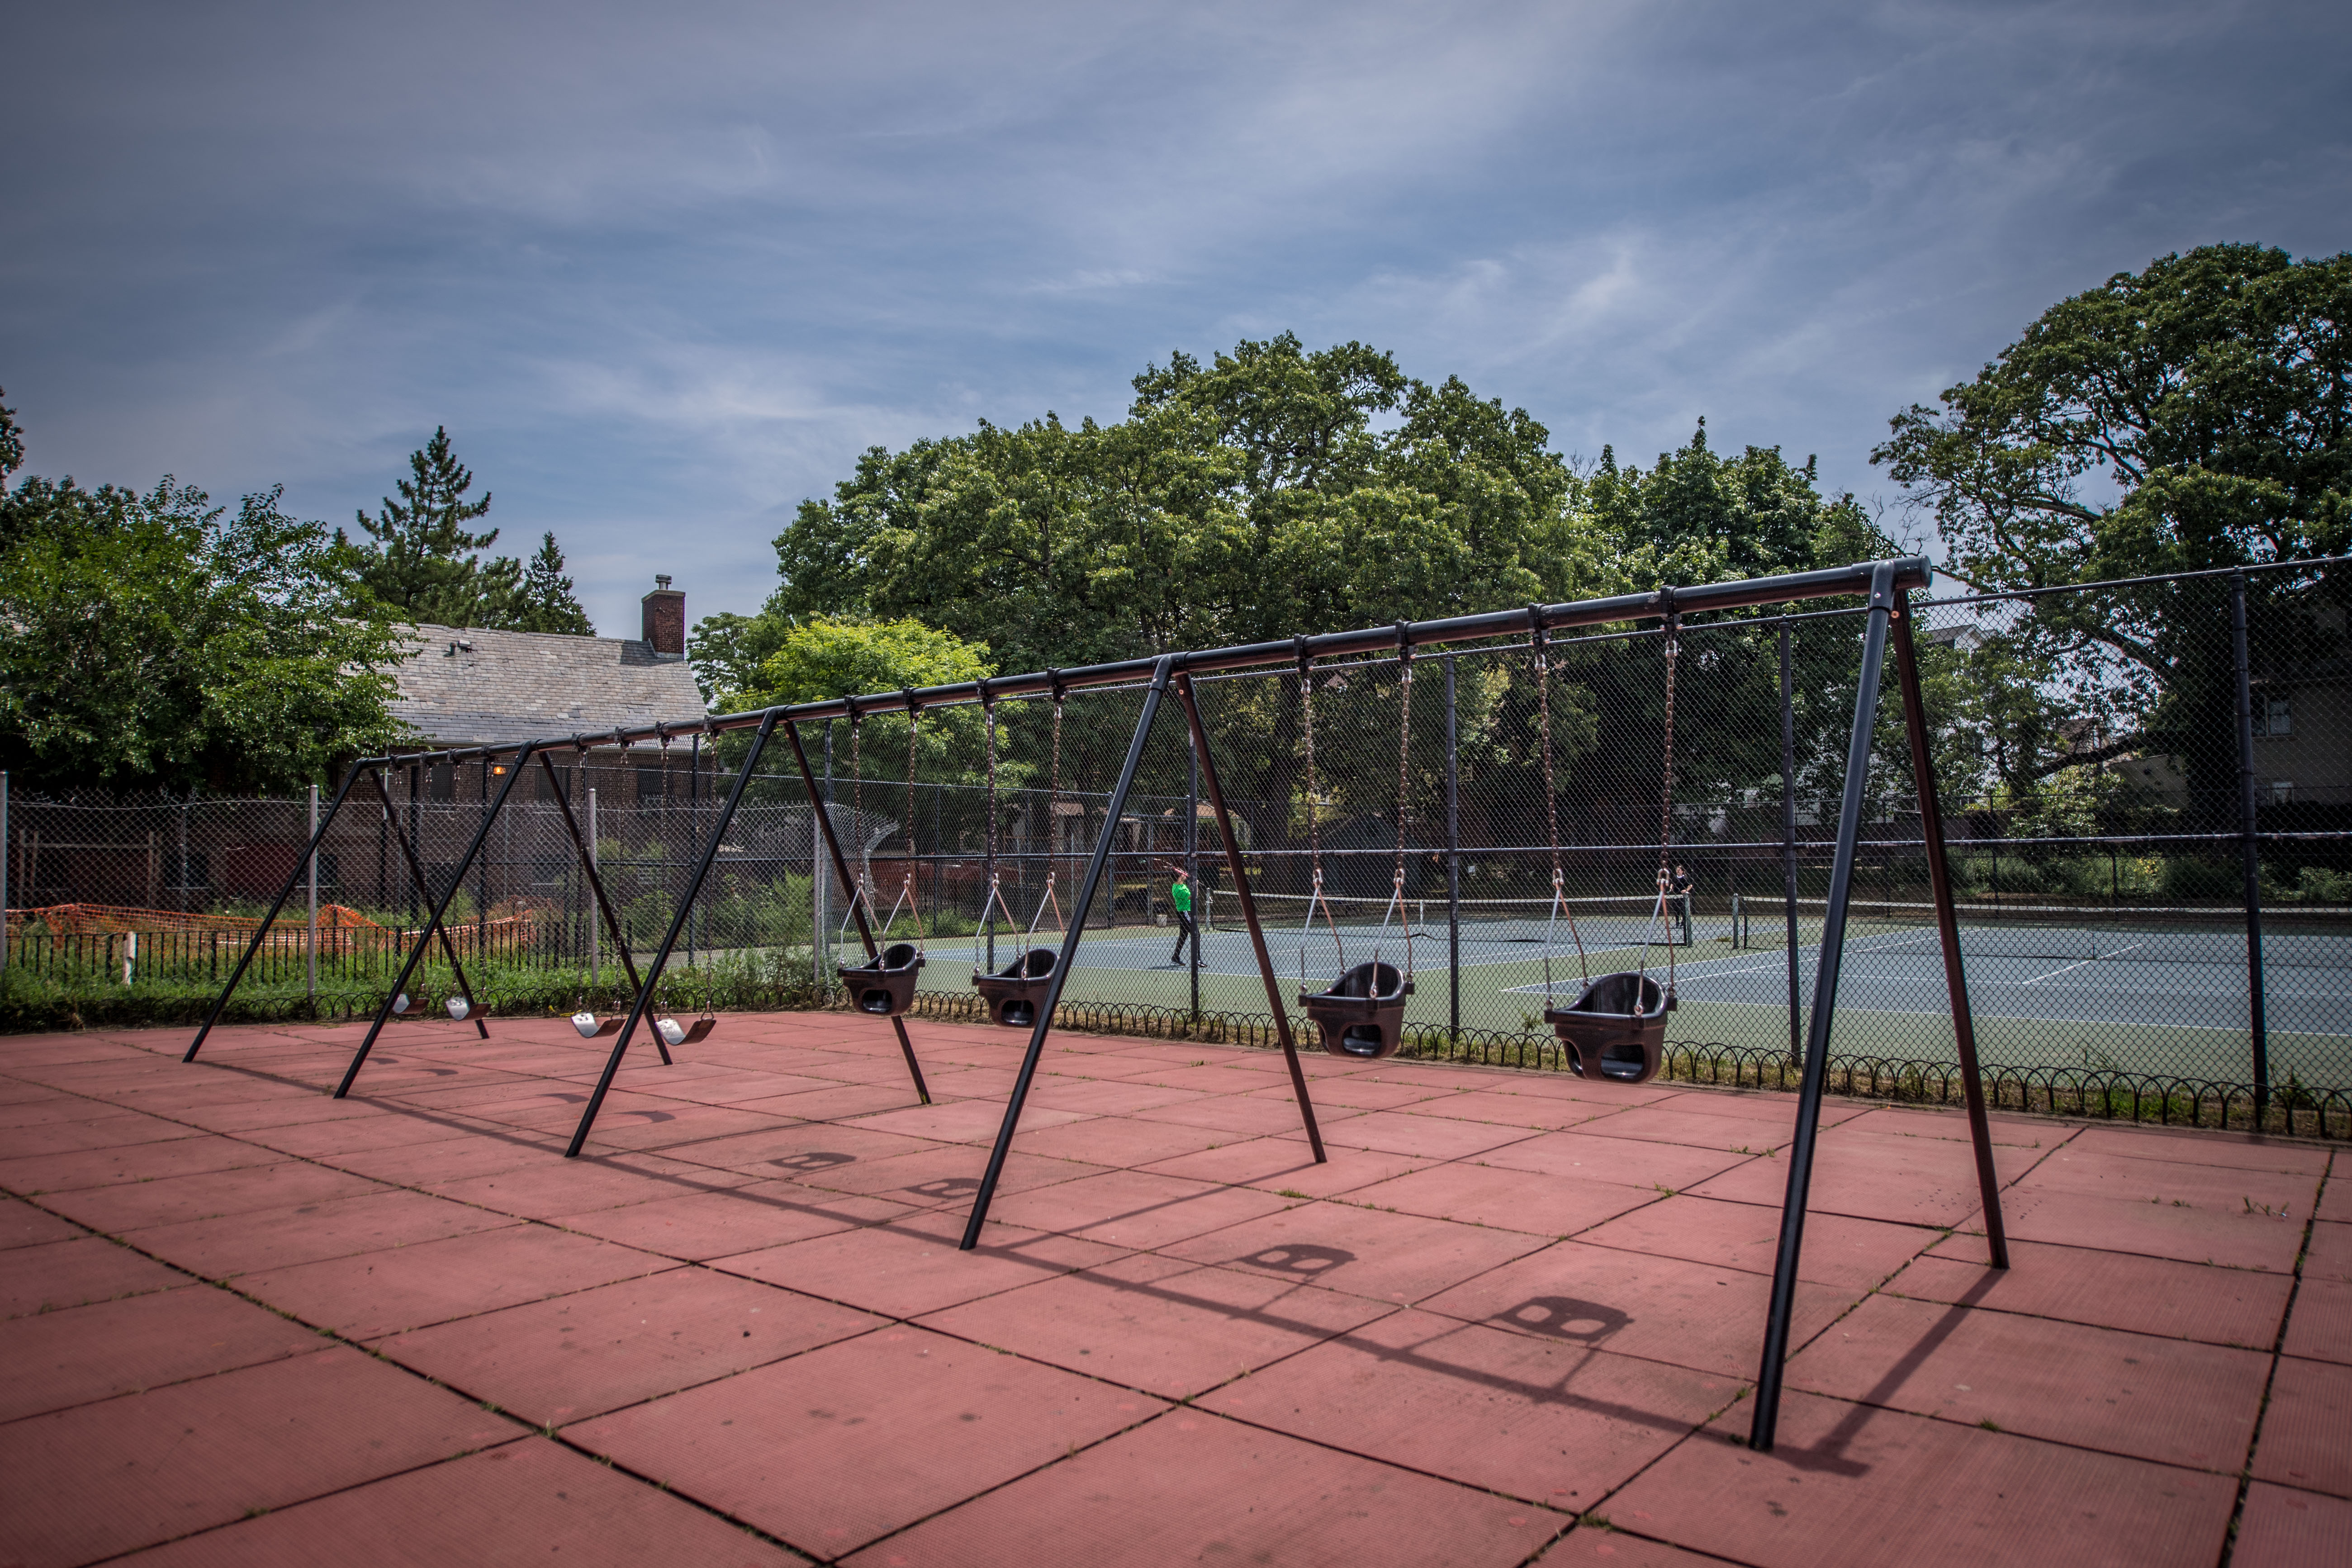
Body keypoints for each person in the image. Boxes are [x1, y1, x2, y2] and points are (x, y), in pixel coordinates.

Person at [1166, 861, 1197, 966]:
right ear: (1179, 878)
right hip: (1185, 912)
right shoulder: (1179, 889)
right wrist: (1196, 885)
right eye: (1182, 874)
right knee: (1196, 934)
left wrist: (1191, 881)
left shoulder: (1181, 885)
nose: (1185, 874)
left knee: (1183, 935)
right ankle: (1197, 959)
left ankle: (1176, 956)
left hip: (1184, 912)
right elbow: (1193, 896)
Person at [1664, 861, 1695, 945]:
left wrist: (1686, 890)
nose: (1677, 871)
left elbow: (1690, 886)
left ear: (1682, 871)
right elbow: (1672, 884)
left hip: (1683, 897)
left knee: (1683, 909)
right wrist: (1671, 888)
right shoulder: (1675, 878)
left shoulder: (1685, 878)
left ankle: (1683, 922)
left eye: (1679, 870)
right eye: (1677, 870)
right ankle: (1677, 922)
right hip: (1676, 896)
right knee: (1676, 909)